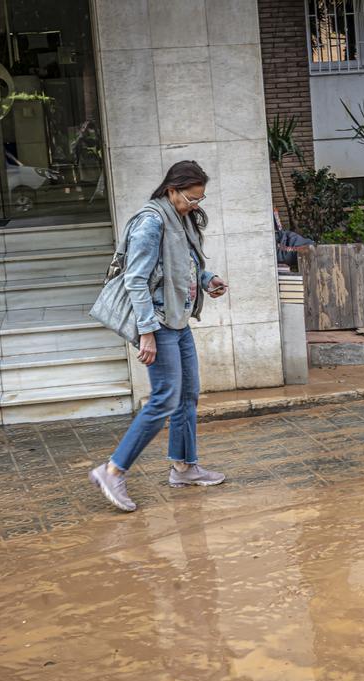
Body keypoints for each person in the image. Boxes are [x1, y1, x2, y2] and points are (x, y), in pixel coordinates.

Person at [89, 161, 229, 512]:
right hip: (159, 323)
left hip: (178, 320)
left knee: (188, 396)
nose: (196, 204)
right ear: (172, 190)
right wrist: (147, 333)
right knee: (165, 398)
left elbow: (184, 263)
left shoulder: (181, 218)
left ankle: (184, 467)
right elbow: (136, 279)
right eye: (191, 198)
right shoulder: (151, 222)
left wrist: (207, 278)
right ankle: (112, 469)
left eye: (200, 198)